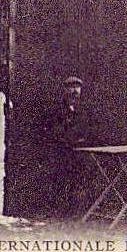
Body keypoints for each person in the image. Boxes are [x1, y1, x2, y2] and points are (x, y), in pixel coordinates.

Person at [37, 76, 90, 218]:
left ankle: (76, 211)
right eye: (71, 87)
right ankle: (58, 210)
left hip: (79, 151)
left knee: (79, 179)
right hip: (61, 150)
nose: (75, 91)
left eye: (77, 88)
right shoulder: (57, 109)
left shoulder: (84, 109)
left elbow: (87, 128)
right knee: (60, 179)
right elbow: (54, 130)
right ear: (65, 90)